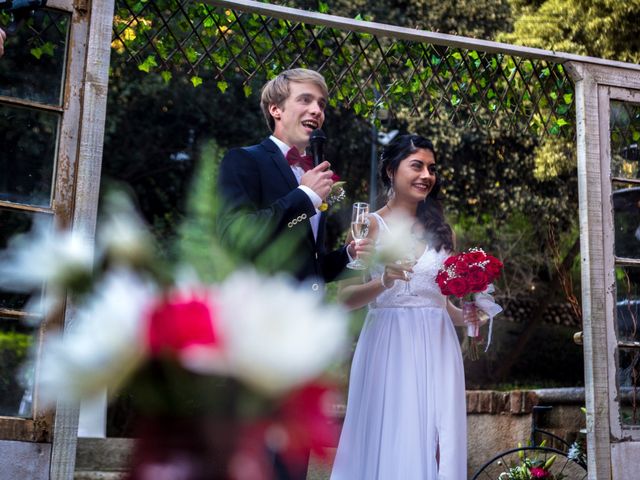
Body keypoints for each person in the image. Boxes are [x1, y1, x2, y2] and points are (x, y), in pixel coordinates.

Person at [217, 68, 368, 480]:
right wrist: (302, 196)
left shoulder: (315, 175)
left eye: (321, 104)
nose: (317, 110)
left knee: (292, 462)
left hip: (305, 338)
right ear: (276, 109)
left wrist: (348, 255)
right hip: (259, 334)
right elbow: (237, 236)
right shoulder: (244, 161)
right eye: (305, 100)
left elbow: (309, 266)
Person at [330, 134, 468, 479]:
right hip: (390, 346)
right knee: (394, 433)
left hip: (438, 344)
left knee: (441, 438)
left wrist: (470, 315)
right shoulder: (370, 225)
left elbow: (440, 302)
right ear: (392, 170)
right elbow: (344, 299)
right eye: (417, 166)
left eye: (432, 169)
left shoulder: (441, 231)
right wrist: (384, 282)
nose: (426, 175)